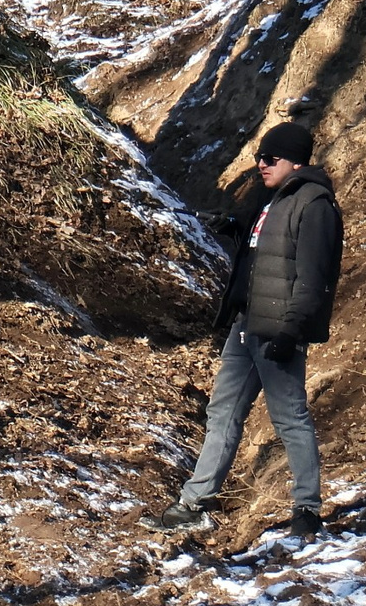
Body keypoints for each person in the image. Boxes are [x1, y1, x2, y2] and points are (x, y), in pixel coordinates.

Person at [141, 123, 344, 540]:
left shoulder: (315, 204)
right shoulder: (274, 200)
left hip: (278, 332)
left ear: (296, 161)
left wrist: (292, 331)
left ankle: (307, 509)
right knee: (222, 413)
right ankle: (193, 504)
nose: (260, 165)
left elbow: (314, 278)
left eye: (270, 159)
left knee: (289, 418)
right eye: (259, 157)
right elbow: (268, 255)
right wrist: (235, 226)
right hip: (245, 326)